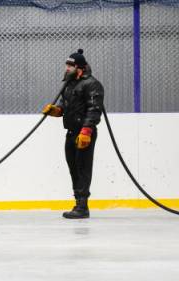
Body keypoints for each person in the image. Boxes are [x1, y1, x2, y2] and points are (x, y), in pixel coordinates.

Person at [42, 49, 105, 219]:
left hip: (84, 133)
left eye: (70, 65)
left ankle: (83, 207)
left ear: (80, 68)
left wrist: (86, 130)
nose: (67, 68)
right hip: (70, 133)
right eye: (66, 65)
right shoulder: (68, 84)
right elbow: (64, 107)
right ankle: (78, 202)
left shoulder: (92, 84)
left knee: (82, 168)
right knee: (73, 169)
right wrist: (55, 111)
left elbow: (94, 110)